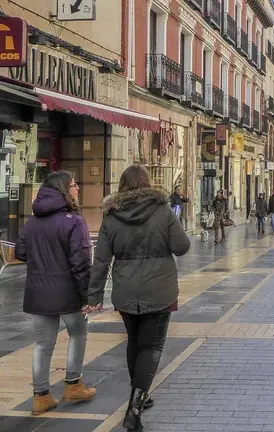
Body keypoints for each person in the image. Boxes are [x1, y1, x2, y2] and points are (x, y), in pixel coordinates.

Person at [88, 165, 191, 431]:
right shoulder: (162, 210)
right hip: (159, 288)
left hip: (126, 289)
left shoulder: (111, 215)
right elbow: (182, 246)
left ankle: (140, 394)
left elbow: (101, 259)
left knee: (134, 342)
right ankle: (135, 407)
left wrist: (94, 295)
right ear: (147, 183)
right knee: (152, 346)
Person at [15, 171, 96, 416]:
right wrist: (87, 296)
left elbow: (20, 252)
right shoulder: (74, 221)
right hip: (67, 291)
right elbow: (81, 262)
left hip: (38, 291)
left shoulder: (32, 221)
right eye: (73, 185)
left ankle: (41, 397)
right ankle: (73, 384)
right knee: (78, 333)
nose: (78, 188)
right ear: (63, 190)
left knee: (43, 344)